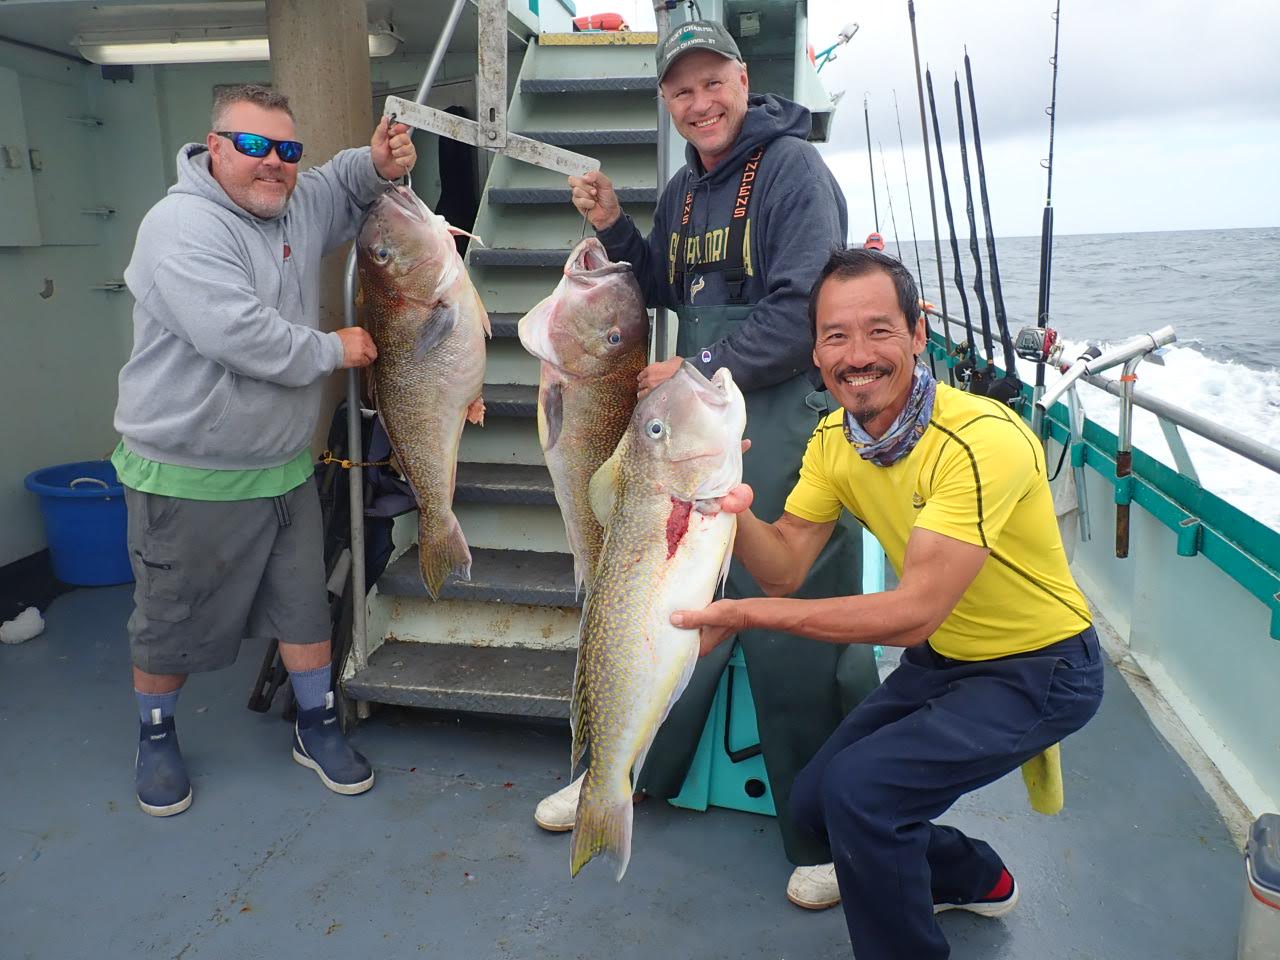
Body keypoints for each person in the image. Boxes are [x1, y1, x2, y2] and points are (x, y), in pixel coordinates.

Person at [672, 247, 1105, 959]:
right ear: (815, 350)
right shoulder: (836, 442)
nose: (857, 355)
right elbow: (782, 568)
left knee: (864, 798)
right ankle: (976, 876)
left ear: (917, 337)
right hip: (948, 659)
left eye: (879, 331)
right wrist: (727, 506)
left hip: (1042, 668)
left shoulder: (979, 441)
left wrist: (742, 614)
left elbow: (913, 613)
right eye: (836, 336)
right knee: (814, 806)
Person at [540, 19, 881, 909]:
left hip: (779, 425)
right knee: (669, 609)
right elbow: (665, 288)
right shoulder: (688, 188)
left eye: (711, 84)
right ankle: (624, 773)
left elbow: (807, 305)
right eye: (681, 91)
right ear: (668, 100)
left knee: (796, 623)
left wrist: (698, 370)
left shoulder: (793, 171)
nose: (700, 104)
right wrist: (617, 231)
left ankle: (825, 836)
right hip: (694, 430)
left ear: (741, 78)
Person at [112, 84, 416, 817]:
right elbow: (240, 336)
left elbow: (337, 182)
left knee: (303, 607)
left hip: (281, 468)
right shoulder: (179, 227)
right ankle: (155, 736)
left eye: (286, 149)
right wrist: (334, 348)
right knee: (170, 620)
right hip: (189, 474)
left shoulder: (292, 198)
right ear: (214, 146)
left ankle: (315, 725)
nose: (273, 164)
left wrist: (374, 163)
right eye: (253, 146)